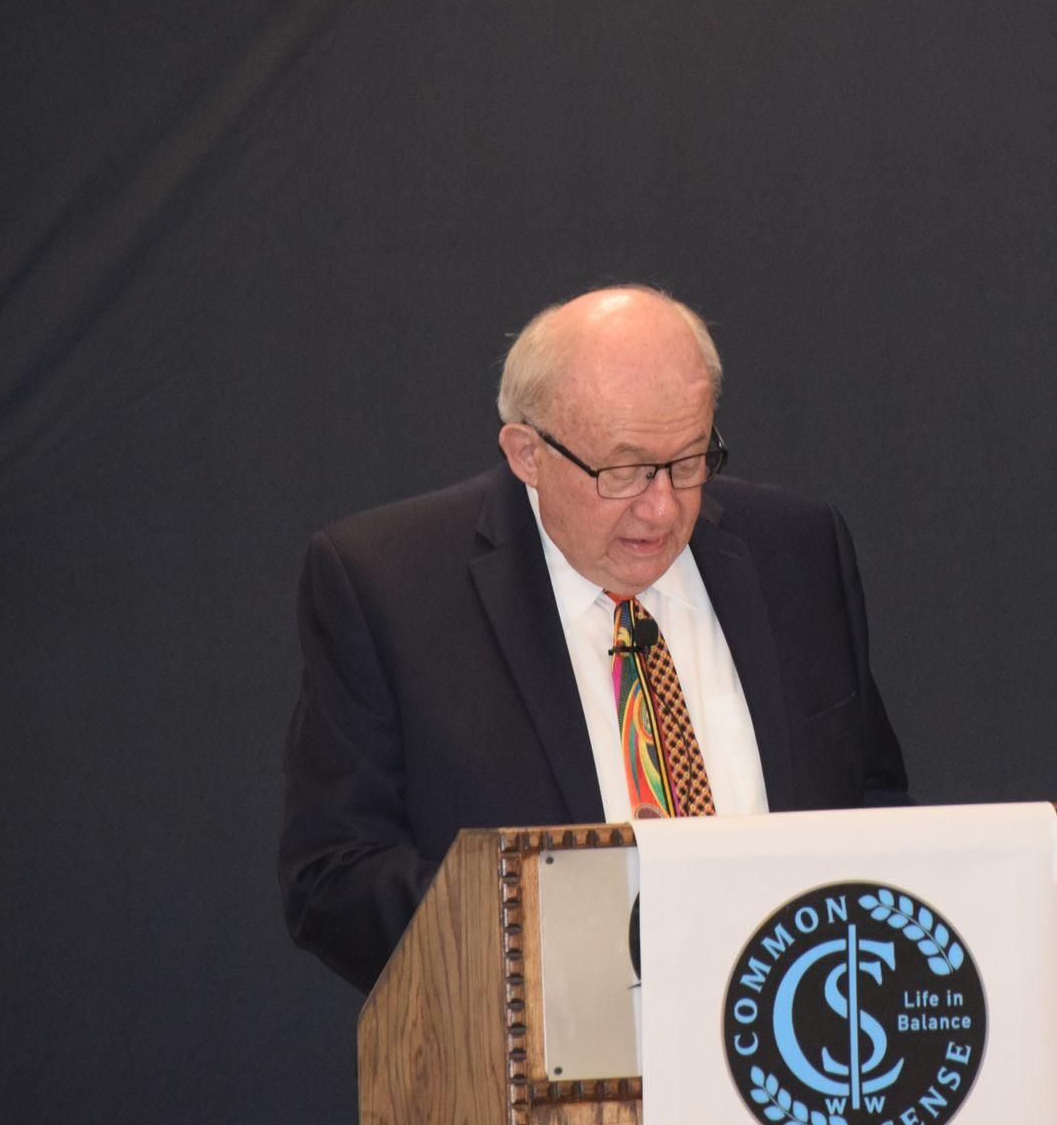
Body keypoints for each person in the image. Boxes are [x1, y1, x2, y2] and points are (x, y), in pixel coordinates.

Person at [279, 286, 909, 991]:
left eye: (690, 461)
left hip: (794, 1034)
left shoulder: (797, 550)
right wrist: (578, 939)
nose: (664, 506)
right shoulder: (389, 583)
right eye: (625, 471)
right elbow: (334, 876)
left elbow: (872, 803)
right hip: (537, 1054)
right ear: (527, 453)